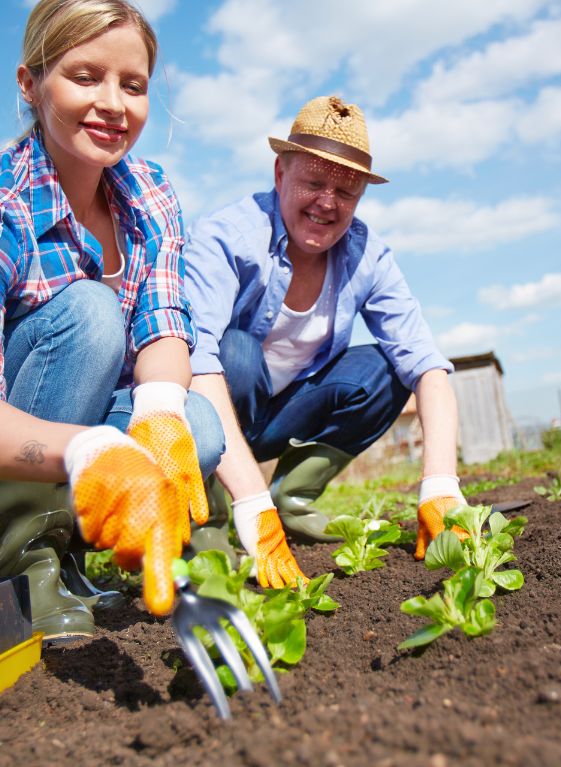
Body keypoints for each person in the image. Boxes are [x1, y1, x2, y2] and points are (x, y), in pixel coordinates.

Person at [0, 0, 222, 643]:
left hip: (63, 436)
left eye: (133, 84)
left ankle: (80, 557)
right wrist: (93, 452)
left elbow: (164, 321)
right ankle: (27, 560)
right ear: (30, 85)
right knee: (89, 314)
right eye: (85, 77)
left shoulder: (149, 193)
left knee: (195, 424)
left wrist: (159, 415)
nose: (114, 103)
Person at [183, 95, 467, 576]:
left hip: (284, 418)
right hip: (217, 412)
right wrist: (249, 505)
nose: (327, 204)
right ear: (279, 174)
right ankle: (208, 518)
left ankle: (291, 502)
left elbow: (428, 365)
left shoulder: (367, 256)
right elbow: (192, 364)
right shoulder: (226, 238)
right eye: (313, 183)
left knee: (386, 369)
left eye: (347, 192)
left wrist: (440, 484)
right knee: (235, 351)